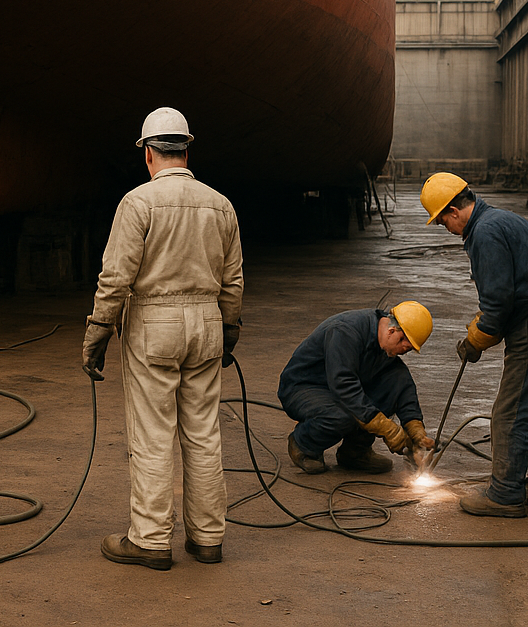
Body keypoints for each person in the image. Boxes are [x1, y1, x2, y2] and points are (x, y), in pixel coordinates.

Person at [81, 107, 243, 571]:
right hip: (207, 324)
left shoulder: (137, 204)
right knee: (204, 434)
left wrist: (97, 331)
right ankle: (208, 539)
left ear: (149, 154)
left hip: (155, 325)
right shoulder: (221, 204)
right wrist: (228, 330)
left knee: (153, 436)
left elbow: (116, 277)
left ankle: (151, 540)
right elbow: (233, 281)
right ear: (186, 150)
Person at [423, 172, 528, 517]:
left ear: (452, 210)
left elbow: (498, 302)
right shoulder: (504, 219)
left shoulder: (484, 232)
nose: (445, 229)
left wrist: (476, 339)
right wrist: (481, 327)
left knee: (511, 412)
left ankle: (505, 493)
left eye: (442, 222)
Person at [278, 303, 436, 475]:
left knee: (391, 383)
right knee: (343, 415)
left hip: (335, 388)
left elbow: (402, 384)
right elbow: (343, 385)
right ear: (393, 332)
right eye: (406, 347)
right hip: (303, 387)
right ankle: (304, 444)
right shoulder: (345, 331)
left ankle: (354, 452)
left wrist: (415, 429)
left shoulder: (383, 341)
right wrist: (387, 429)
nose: (405, 352)